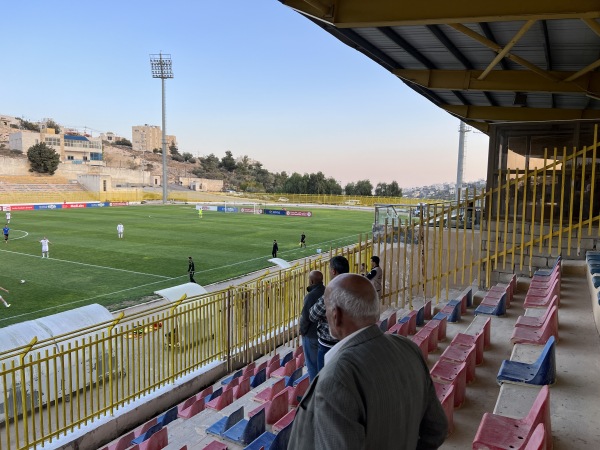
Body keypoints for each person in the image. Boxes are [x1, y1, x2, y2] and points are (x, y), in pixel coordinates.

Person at [288, 274, 448, 450]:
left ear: (336, 315)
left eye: (326, 309)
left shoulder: (336, 378)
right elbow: (437, 430)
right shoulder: (408, 348)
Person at [308, 255, 349, 372]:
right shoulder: (353, 286)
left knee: (323, 379)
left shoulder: (332, 291)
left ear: (333, 271)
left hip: (328, 344)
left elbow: (313, 315)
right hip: (346, 341)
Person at [299, 270, 324, 381]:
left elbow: (306, 317)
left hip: (311, 335)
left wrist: (302, 331)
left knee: (312, 367)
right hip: (322, 335)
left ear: (312, 281)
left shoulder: (310, 296)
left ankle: (314, 393)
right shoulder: (326, 291)